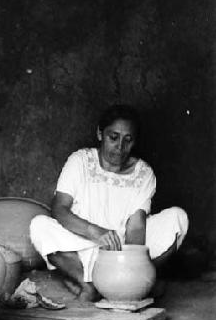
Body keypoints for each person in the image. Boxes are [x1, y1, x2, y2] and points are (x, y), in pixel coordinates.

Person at [30, 105, 189, 301]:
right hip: (83, 242)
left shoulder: (144, 173)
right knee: (40, 225)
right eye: (113, 137)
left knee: (177, 218)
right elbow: (59, 209)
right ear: (100, 133)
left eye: (128, 140)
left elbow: (137, 224)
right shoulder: (80, 160)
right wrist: (95, 232)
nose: (120, 147)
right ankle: (86, 283)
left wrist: (129, 263)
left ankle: (131, 281)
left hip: (121, 248)